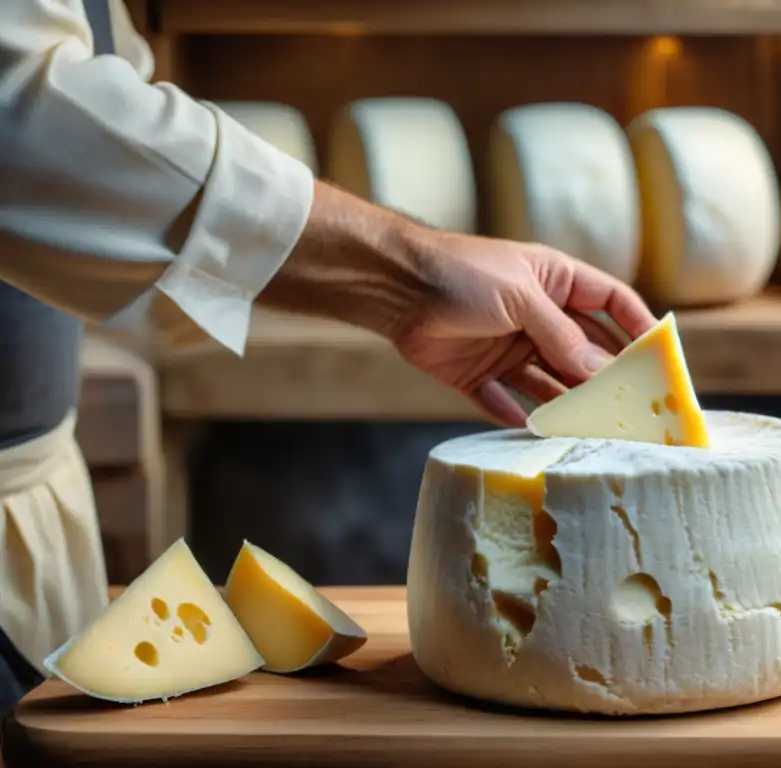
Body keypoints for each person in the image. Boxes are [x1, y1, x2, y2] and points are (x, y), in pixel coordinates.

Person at [0, 0, 657, 717]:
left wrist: (395, 290)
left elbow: (114, 138)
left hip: (40, 510)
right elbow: (26, 124)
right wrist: (405, 271)